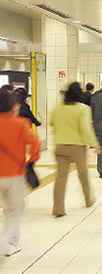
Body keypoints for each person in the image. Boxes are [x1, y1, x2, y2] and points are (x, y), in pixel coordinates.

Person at [50, 82, 100, 217]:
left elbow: (52, 122)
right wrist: (93, 143)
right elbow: (85, 128)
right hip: (77, 147)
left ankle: (58, 208)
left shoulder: (58, 108)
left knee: (61, 178)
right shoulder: (83, 108)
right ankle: (88, 199)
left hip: (60, 146)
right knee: (83, 174)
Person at [0, 90, 40, 257]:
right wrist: (33, 159)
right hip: (15, 174)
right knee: (18, 209)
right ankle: (5, 240)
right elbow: (35, 143)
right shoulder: (20, 123)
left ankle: (12, 244)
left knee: (9, 209)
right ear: (14, 106)